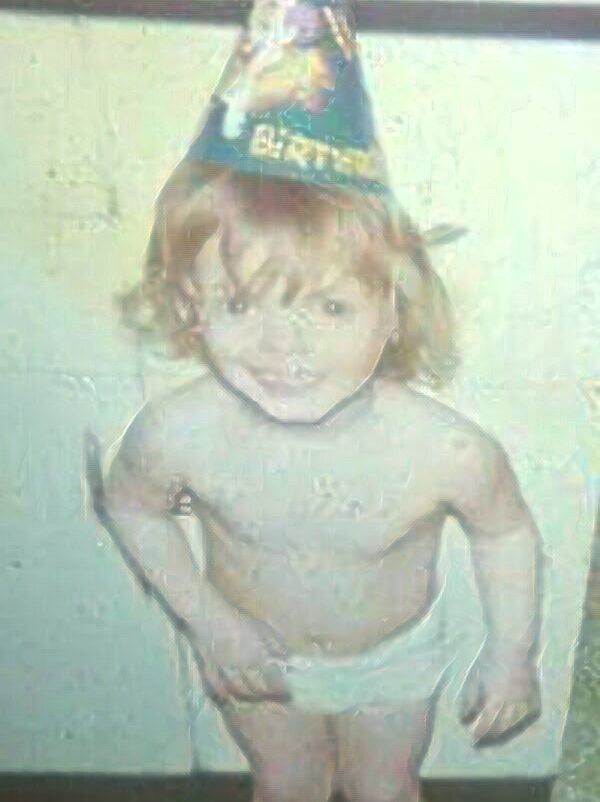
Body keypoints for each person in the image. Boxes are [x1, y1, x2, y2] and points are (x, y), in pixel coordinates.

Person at [87, 3, 542, 799]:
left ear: (393, 309)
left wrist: (512, 653)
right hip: (255, 654)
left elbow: (505, 531)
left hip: (394, 659)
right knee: (286, 783)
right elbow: (131, 507)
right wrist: (207, 619)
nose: (284, 346)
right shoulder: (177, 432)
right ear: (192, 307)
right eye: (241, 303)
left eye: (330, 307)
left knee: (384, 788)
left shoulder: (448, 449)